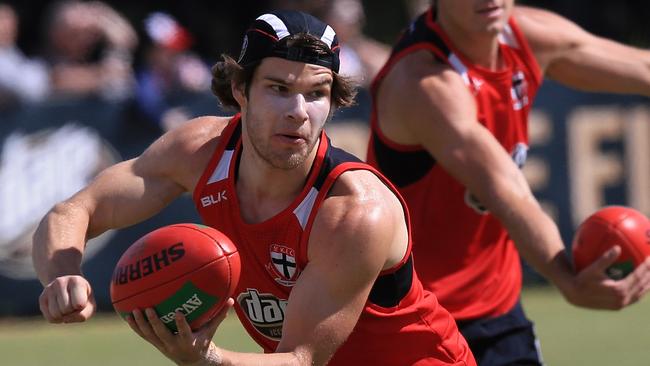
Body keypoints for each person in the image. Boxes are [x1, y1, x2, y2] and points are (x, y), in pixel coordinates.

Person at [33, 10, 476, 366]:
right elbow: (74, 211)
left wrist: (205, 358)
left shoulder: (355, 210)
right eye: (278, 89)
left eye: (317, 93)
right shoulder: (200, 151)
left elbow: (301, 359)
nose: (299, 111)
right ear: (241, 90)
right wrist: (61, 276)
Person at [365, 1, 650, 365]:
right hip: (411, 318)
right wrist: (567, 279)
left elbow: (642, 67)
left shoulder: (526, 36)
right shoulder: (423, 81)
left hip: (497, 312)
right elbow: (507, 190)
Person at [43, 0, 137, 101]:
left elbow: (127, 39)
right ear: (56, 34)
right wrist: (118, 49)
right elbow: (60, 79)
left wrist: (105, 15)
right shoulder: (43, 65)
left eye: (90, 33)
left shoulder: (92, 59)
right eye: (75, 33)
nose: (85, 39)